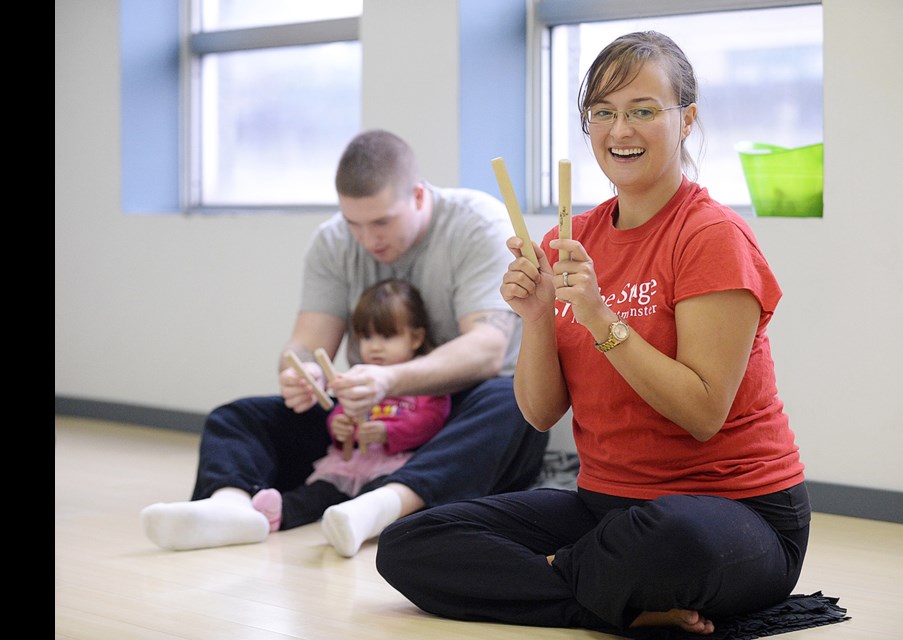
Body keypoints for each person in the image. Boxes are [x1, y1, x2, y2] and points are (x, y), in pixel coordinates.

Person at [376, 31, 810, 637]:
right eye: (602, 113)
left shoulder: (712, 236)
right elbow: (539, 412)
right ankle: (609, 597)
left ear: (685, 120)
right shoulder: (567, 241)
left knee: (670, 537)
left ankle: (569, 580)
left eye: (642, 111)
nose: (619, 130)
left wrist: (602, 320)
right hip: (607, 508)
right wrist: (535, 318)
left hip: (735, 513)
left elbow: (702, 412)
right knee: (411, 542)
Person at [140, 129, 549, 556]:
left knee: (511, 403)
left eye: (381, 222)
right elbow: (303, 344)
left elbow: (487, 351)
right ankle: (230, 508)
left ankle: (382, 504)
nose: (368, 239)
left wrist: (388, 380)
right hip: (364, 419)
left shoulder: (477, 224)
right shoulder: (333, 240)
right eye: (354, 223)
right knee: (237, 417)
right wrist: (300, 372)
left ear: (419, 196)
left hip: (457, 416)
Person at [249, 278, 452, 557]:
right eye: (367, 337)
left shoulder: (424, 382)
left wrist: (388, 433)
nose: (375, 347)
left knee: (381, 495)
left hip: (394, 464)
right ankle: (274, 513)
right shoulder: (358, 376)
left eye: (387, 336)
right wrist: (339, 426)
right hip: (352, 461)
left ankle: (356, 521)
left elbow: (432, 422)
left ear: (415, 338)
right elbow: (341, 409)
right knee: (321, 490)